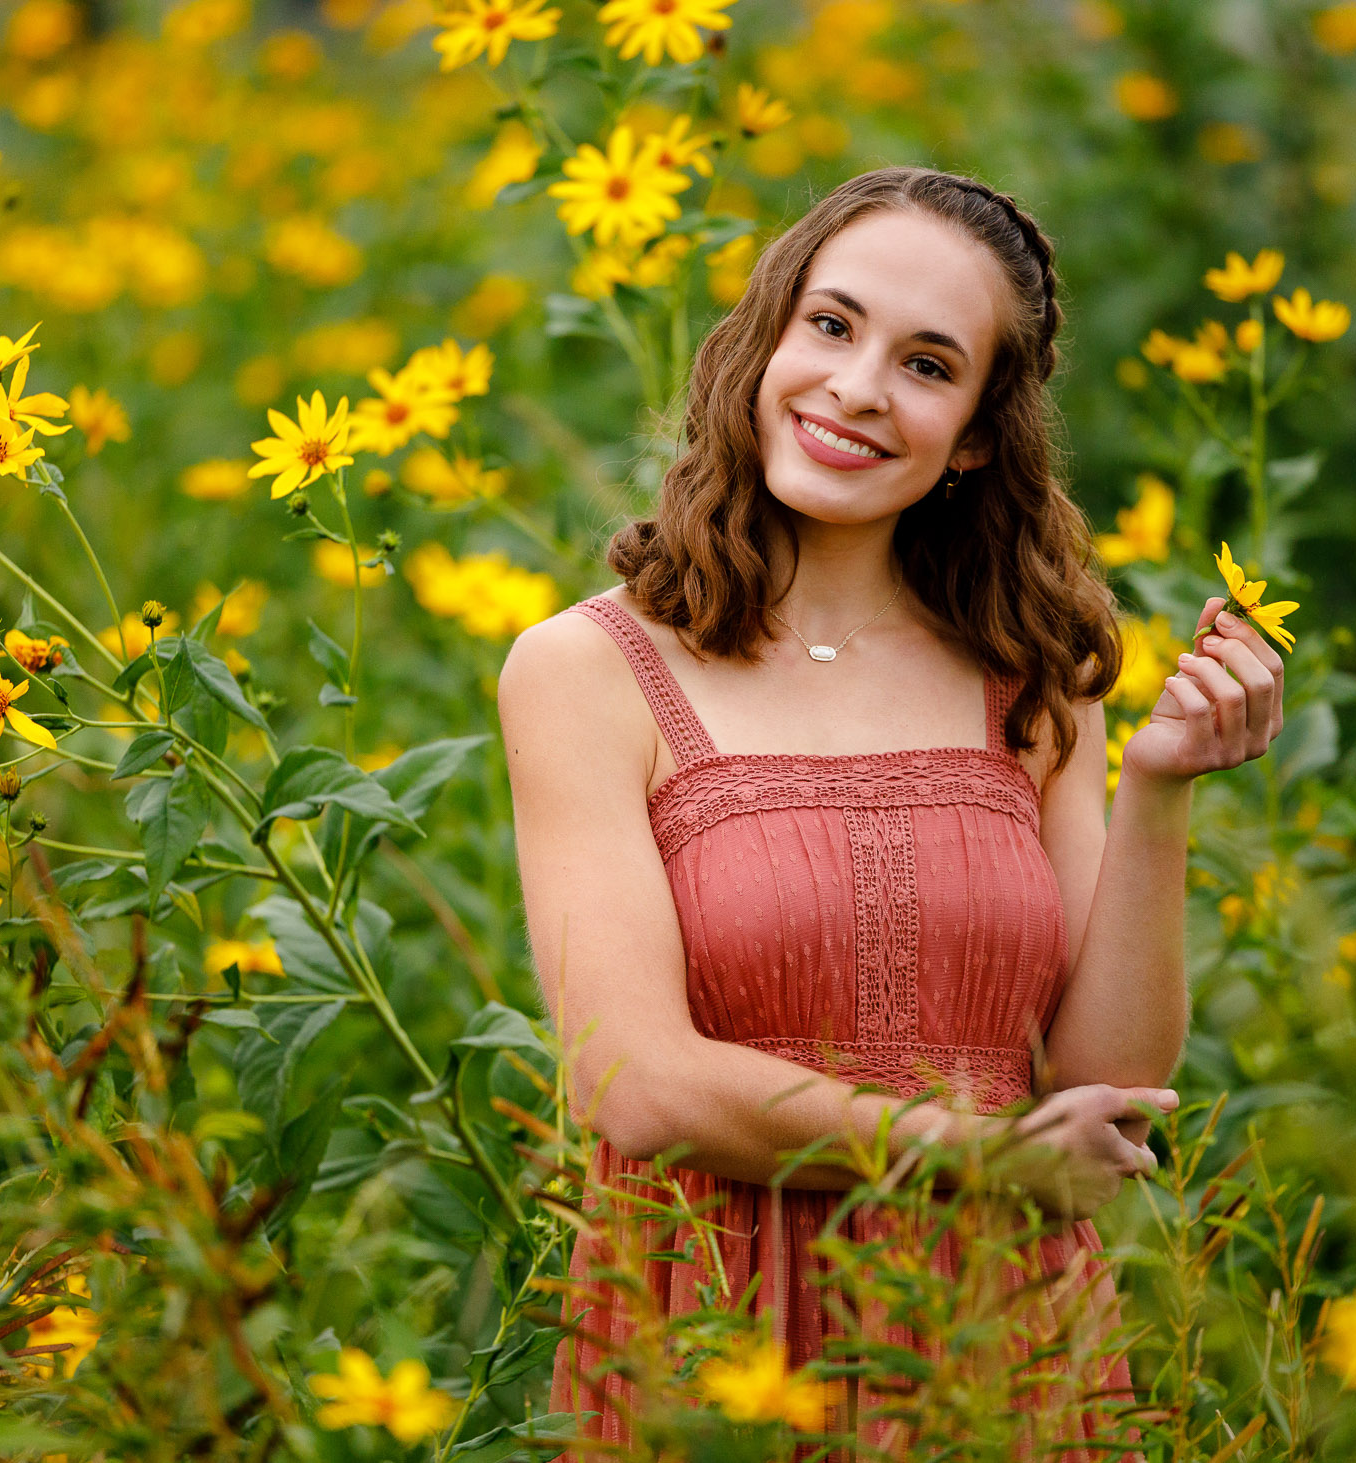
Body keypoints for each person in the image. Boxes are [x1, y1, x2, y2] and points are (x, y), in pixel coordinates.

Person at [496, 166, 1286, 1455]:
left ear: (977, 432)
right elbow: (632, 1085)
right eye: (831, 325)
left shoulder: (1030, 674)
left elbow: (1107, 1083)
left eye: (927, 364)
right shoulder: (587, 672)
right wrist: (980, 1159)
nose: (857, 388)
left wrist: (1156, 791)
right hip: (712, 1330)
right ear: (766, 341)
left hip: (999, 1327)